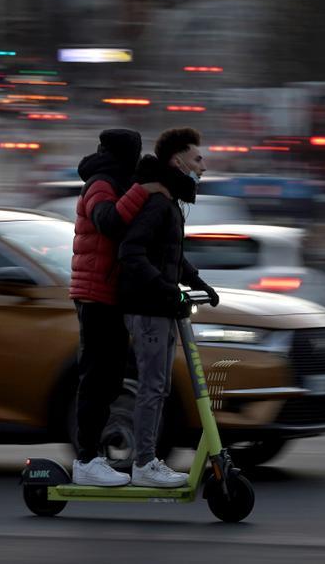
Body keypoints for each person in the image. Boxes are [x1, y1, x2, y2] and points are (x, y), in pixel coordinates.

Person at [118, 127, 220, 488]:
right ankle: (144, 463)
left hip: (160, 306)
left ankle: (148, 460)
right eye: (198, 159)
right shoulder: (159, 202)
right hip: (148, 308)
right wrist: (167, 290)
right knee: (153, 385)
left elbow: (170, 257)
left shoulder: (171, 202)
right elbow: (131, 253)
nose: (203, 167)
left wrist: (197, 283)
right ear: (177, 161)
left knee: (158, 386)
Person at [70, 129, 169, 487]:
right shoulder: (100, 182)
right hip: (95, 293)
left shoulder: (120, 180)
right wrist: (143, 191)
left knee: (110, 378)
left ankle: (93, 455)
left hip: (111, 294)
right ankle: (85, 460)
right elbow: (108, 221)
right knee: (96, 379)